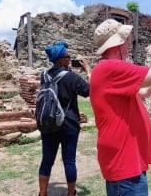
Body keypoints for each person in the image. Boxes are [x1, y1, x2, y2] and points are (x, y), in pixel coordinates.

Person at [89, 19, 151, 196]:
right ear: (119, 43)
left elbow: (144, 91)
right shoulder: (111, 67)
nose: (129, 44)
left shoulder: (107, 69)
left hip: (126, 162)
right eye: (127, 39)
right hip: (124, 165)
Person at [38, 41, 91, 196]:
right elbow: (89, 91)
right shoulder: (71, 77)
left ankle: (42, 194)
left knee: (46, 160)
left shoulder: (44, 75)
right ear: (61, 59)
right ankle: (70, 193)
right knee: (69, 161)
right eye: (67, 57)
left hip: (48, 122)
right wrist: (88, 71)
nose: (70, 59)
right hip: (69, 124)